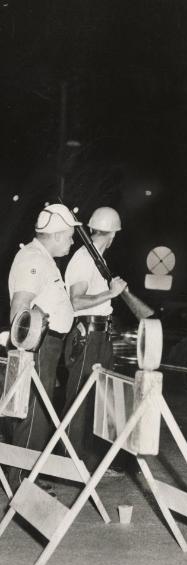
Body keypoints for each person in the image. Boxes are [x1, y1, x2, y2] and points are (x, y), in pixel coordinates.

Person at [6, 203, 80, 491]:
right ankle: (22, 481)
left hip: (46, 345)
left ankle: (26, 473)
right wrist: (28, 349)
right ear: (58, 234)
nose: (72, 242)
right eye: (70, 236)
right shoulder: (33, 259)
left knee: (37, 411)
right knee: (32, 411)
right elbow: (19, 307)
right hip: (38, 345)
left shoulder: (44, 258)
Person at [62, 206, 127, 473]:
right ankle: (68, 464)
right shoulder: (84, 258)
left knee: (101, 401)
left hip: (101, 335)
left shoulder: (96, 257)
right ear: (113, 234)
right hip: (88, 335)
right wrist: (110, 295)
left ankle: (91, 463)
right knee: (79, 402)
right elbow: (76, 302)